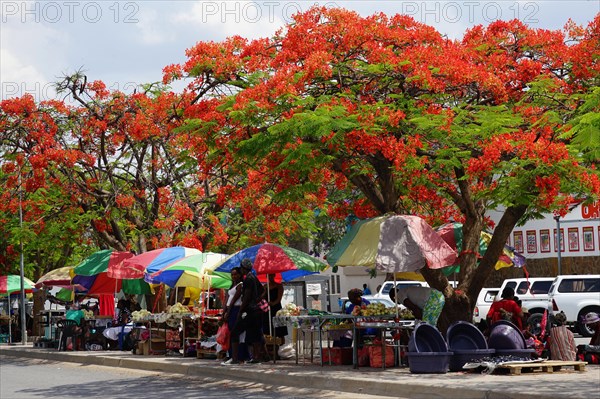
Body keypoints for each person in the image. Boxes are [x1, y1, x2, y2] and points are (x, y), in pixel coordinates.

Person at [226, 258, 267, 365]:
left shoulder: (248, 279)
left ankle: (235, 359)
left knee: (235, 333)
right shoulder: (254, 277)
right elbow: (263, 291)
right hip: (256, 310)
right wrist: (257, 299)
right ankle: (256, 357)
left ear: (243, 269)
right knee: (255, 334)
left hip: (249, 311)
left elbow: (247, 297)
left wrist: (240, 311)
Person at [221, 267, 249, 364]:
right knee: (230, 333)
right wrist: (224, 312)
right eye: (232, 274)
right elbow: (227, 299)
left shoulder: (240, 285)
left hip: (236, 309)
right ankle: (231, 355)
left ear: (240, 274)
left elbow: (233, 300)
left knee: (236, 333)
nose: (234, 276)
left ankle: (238, 357)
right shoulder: (232, 285)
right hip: (230, 310)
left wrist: (228, 311)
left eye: (236, 274)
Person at [262, 274, 288, 339]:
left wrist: (273, 303)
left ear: (274, 276)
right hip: (267, 309)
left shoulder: (279, 286)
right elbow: (262, 297)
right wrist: (265, 291)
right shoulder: (265, 286)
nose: (270, 277)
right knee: (267, 326)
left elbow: (279, 298)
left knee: (278, 326)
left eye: (271, 275)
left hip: (276, 308)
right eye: (268, 276)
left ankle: (280, 340)